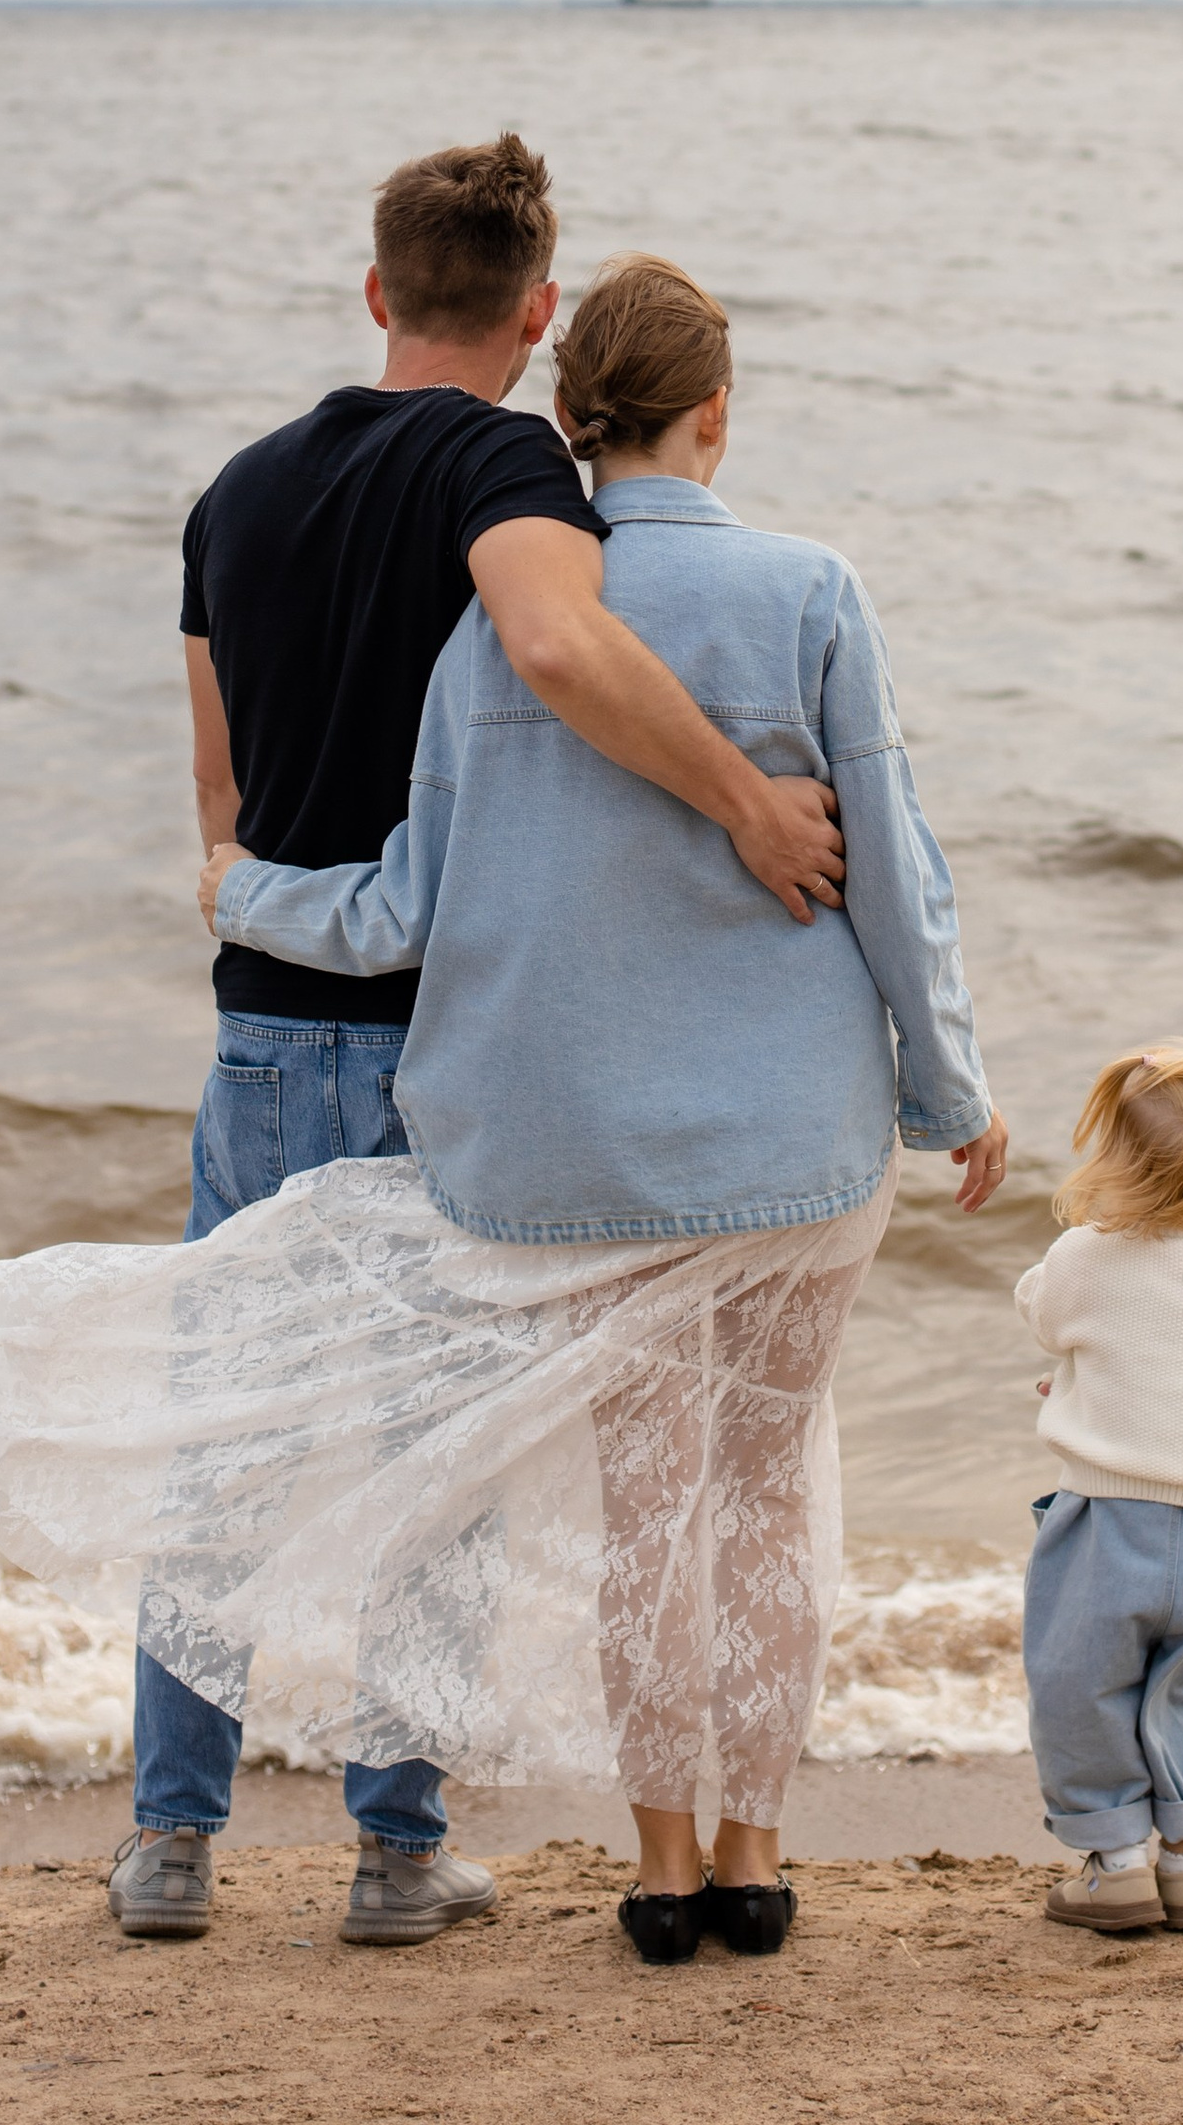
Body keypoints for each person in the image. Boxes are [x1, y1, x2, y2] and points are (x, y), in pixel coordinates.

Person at [0, 253, 1005, 1968]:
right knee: (768, 1493)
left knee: (623, 1502)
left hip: (585, 1157)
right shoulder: (811, 589)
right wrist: (950, 1098)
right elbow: (896, 876)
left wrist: (241, 892)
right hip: (796, 1145)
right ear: (717, 411)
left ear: (572, 418)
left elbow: (408, 905)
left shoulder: (478, 627)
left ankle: (639, 1872)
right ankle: (747, 1856)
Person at [121, 140, 845, 1951]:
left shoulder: (231, 495)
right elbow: (552, 645)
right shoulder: (504, 462)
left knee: (224, 1437)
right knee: (425, 1454)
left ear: (377, 293)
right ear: (536, 318)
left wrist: (248, 889)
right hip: (442, 1045)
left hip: (263, 1043)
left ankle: (169, 1847)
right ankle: (392, 1851)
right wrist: (749, 806)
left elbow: (222, 819)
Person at [1012, 1041, 1183, 1936]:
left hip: (1112, 1511)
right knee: (1179, 1689)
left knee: (1080, 1682)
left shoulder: (1086, 1256)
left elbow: (1044, 1312)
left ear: (1112, 1162)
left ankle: (1117, 1863)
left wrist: (1082, 1364)